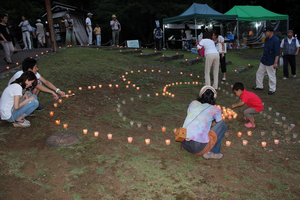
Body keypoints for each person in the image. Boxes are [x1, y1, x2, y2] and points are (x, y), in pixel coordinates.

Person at [181, 86, 226, 160]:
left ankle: (210, 150)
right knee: (222, 125)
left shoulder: (193, 103)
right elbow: (219, 122)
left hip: (184, 142)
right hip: (198, 148)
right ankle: (213, 152)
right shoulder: (215, 109)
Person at [253, 27, 280, 95]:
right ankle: (259, 86)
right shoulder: (266, 39)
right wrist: (262, 56)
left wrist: (275, 63)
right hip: (264, 60)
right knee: (259, 73)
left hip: (271, 61)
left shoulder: (275, 40)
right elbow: (265, 49)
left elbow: (277, 53)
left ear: (271, 32)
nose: (265, 34)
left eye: (266, 32)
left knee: (271, 75)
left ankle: (272, 89)